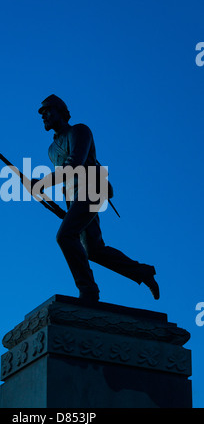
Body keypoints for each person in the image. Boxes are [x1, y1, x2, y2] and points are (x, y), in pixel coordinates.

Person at [34, 94, 159, 304]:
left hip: (93, 190)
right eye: (42, 114)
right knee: (94, 250)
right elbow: (67, 181)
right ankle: (143, 272)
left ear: (61, 112)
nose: (44, 116)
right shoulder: (51, 150)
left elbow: (74, 165)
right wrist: (64, 206)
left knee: (65, 236)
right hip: (75, 199)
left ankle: (88, 291)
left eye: (48, 111)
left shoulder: (80, 130)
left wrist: (43, 183)